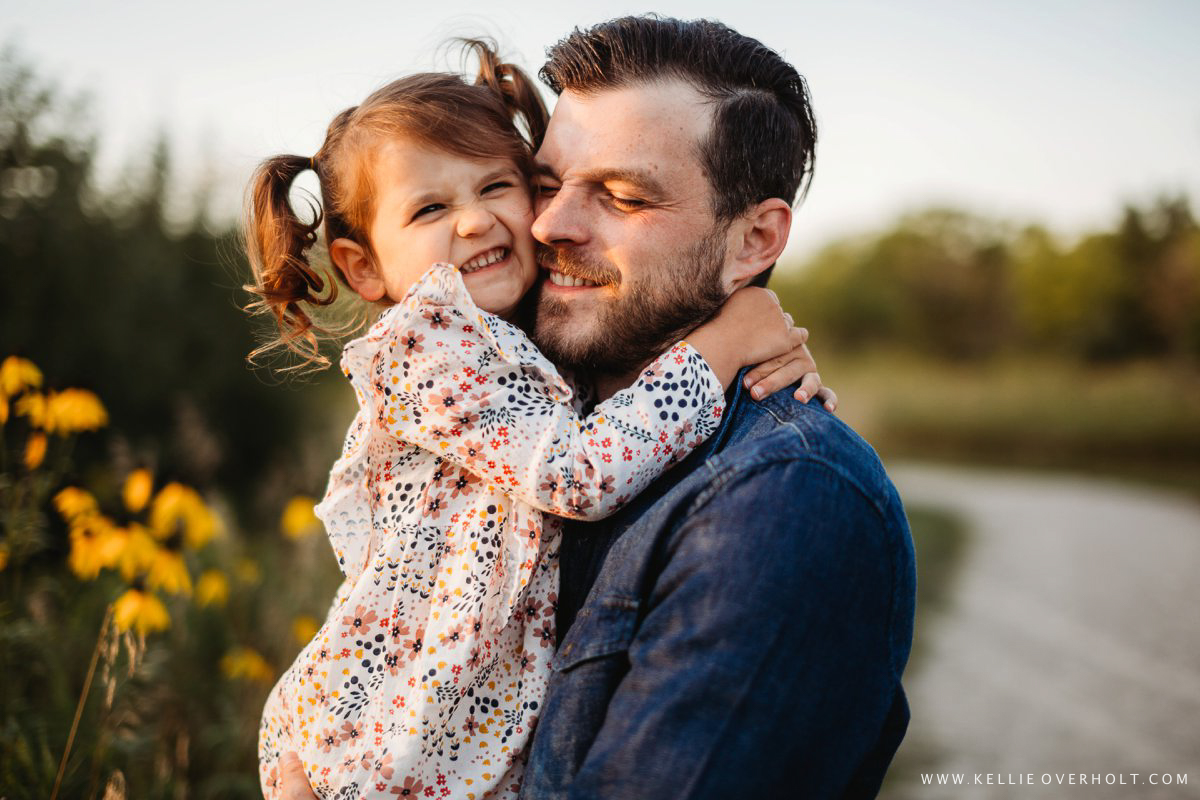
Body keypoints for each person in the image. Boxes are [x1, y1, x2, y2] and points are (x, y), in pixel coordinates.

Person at [244, 40, 829, 800]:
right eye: (430, 208)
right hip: (384, 738)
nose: (476, 221)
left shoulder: (524, 342)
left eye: (499, 186)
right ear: (363, 268)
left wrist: (766, 355)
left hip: (447, 728)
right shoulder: (430, 347)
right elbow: (574, 473)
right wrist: (727, 343)